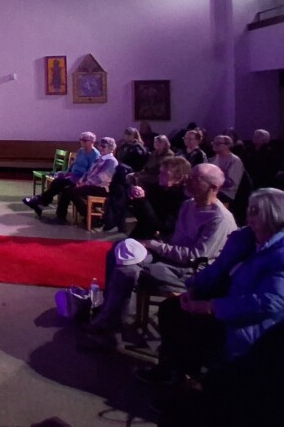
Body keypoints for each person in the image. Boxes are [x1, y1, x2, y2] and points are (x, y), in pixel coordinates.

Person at [137, 188, 284, 390]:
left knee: (193, 329)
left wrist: (210, 307)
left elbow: (269, 303)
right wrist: (195, 288)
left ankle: (189, 384)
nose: (250, 216)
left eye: (256, 211)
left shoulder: (279, 254)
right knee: (171, 309)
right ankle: (172, 370)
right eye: (251, 209)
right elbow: (218, 268)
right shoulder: (246, 239)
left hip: (248, 322)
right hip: (222, 301)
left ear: (273, 215)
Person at [84, 164, 237, 346]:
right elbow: (175, 239)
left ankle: (109, 324)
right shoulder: (188, 205)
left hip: (190, 271)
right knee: (121, 252)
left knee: (127, 271)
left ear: (213, 187)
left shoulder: (219, 219)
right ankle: (112, 322)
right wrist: (153, 245)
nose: (188, 180)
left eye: (195, 178)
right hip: (171, 258)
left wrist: (154, 245)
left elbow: (194, 256)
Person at [23, 132, 100, 217]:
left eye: (84, 140)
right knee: (57, 181)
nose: (82, 142)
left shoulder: (95, 154)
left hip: (81, 178)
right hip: (72, 174)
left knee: (61, 184)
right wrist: (66, 172)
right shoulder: (81, 150)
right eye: (81, 140)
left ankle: (41, 202)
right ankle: (41, 203)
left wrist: (79, 179)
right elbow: (74, 164)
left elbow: (90, 171)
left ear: (91, 142)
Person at [52, 137, 119, 225]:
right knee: (67, 190)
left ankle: (89, 217)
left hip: (102, 188)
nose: (101, 148)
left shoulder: (111, 161)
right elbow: (89, 172)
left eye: (104, 146)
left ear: (111, 148)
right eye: (100, 146)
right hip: (91, 185)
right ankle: (61, 217)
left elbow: (101, 178)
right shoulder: (100, 158)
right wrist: (81, 180)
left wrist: (85, 183)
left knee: (71, 192)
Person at [129, 156, 192, 240]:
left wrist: (142, 201)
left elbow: (160, 225)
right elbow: (141, 216)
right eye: (160, 172)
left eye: (165, 174)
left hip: (160, 240)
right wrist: (135, 199)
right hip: (142, 232)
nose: (159, 176)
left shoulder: (182, 199)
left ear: (179, 177)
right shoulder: (156, 188)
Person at [209, 134, 244, 205]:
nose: (214, 145)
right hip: (213, 190)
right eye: (214, 143)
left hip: (226, 193)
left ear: (227, 145)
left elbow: (231, 183)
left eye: (218, 143)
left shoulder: (235, 161)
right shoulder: (213, 159)